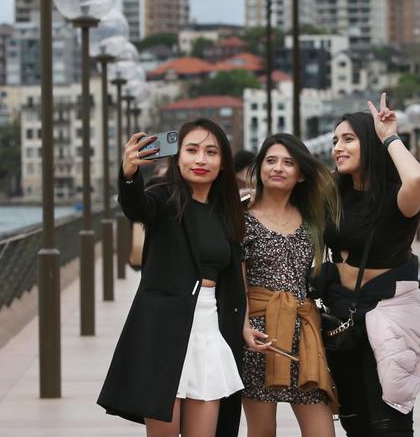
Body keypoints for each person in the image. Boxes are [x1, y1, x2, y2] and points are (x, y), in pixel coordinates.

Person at [99, 118, 247, 436]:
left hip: (211, 333)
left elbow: (235, 278)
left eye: (211, 152)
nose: (201, 159)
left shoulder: (228, 210)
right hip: (163, 332)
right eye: (191, 150)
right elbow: (137, 207)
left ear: (223, 163)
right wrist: (128, 174)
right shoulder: (164, 197)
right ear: (177, 157)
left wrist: (244, 325)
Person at [322, 95, 420, 436]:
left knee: (389, 425)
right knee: (355, 423)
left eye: (348, 139)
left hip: (389, 318)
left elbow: (417, 180)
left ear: (369, 144)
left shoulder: (397, 196)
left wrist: (389, 137)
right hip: (344, 317)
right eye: (335, 141)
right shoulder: (336, 194)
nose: (338, 147)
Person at [240, 134, 340, 437]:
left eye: (288, 162)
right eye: (270, 161)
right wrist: (243, 327)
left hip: (305, 334)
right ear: (259, 169)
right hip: (258, 334)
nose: (278, 168)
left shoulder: (313, 216)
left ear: (300, 174)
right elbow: (237, 279)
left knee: (322, 432)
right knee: (263, 431)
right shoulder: (240, 216)